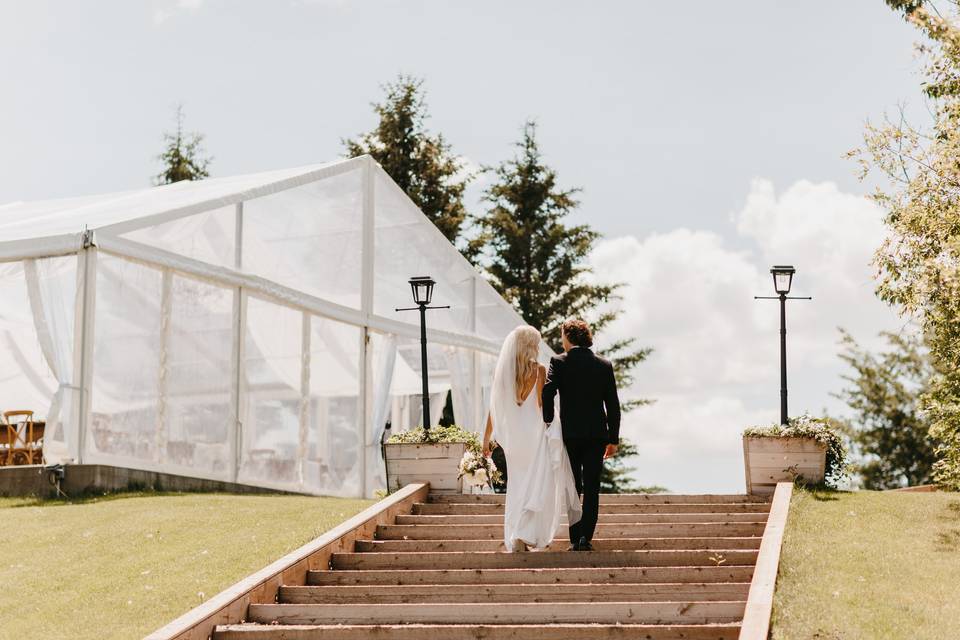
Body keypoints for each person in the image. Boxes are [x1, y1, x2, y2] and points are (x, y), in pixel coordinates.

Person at [482, 326, 581, 552]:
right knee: (537, 484)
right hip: (534, 435)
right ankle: (526, 532)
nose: (538, 346)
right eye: (536, 343)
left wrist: (486, 438)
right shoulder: (539, 371)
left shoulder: (503, 374)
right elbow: (541, 405)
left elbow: (494, 410)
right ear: (530, 346)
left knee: (517, 485)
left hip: (515, 440)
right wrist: (555, 427)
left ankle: (517, 533)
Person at [542, 318, 622, 551]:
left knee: (573, 486)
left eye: (562, 337)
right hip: (597, 435)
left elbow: (548, 393)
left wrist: (548, 422)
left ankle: (575, 537)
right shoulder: (604, 364)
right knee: (592, 486)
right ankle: (586, 537)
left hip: (569, 434)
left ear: (568, 337)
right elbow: (613, 406)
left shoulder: (558, 361)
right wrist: (613, 439)